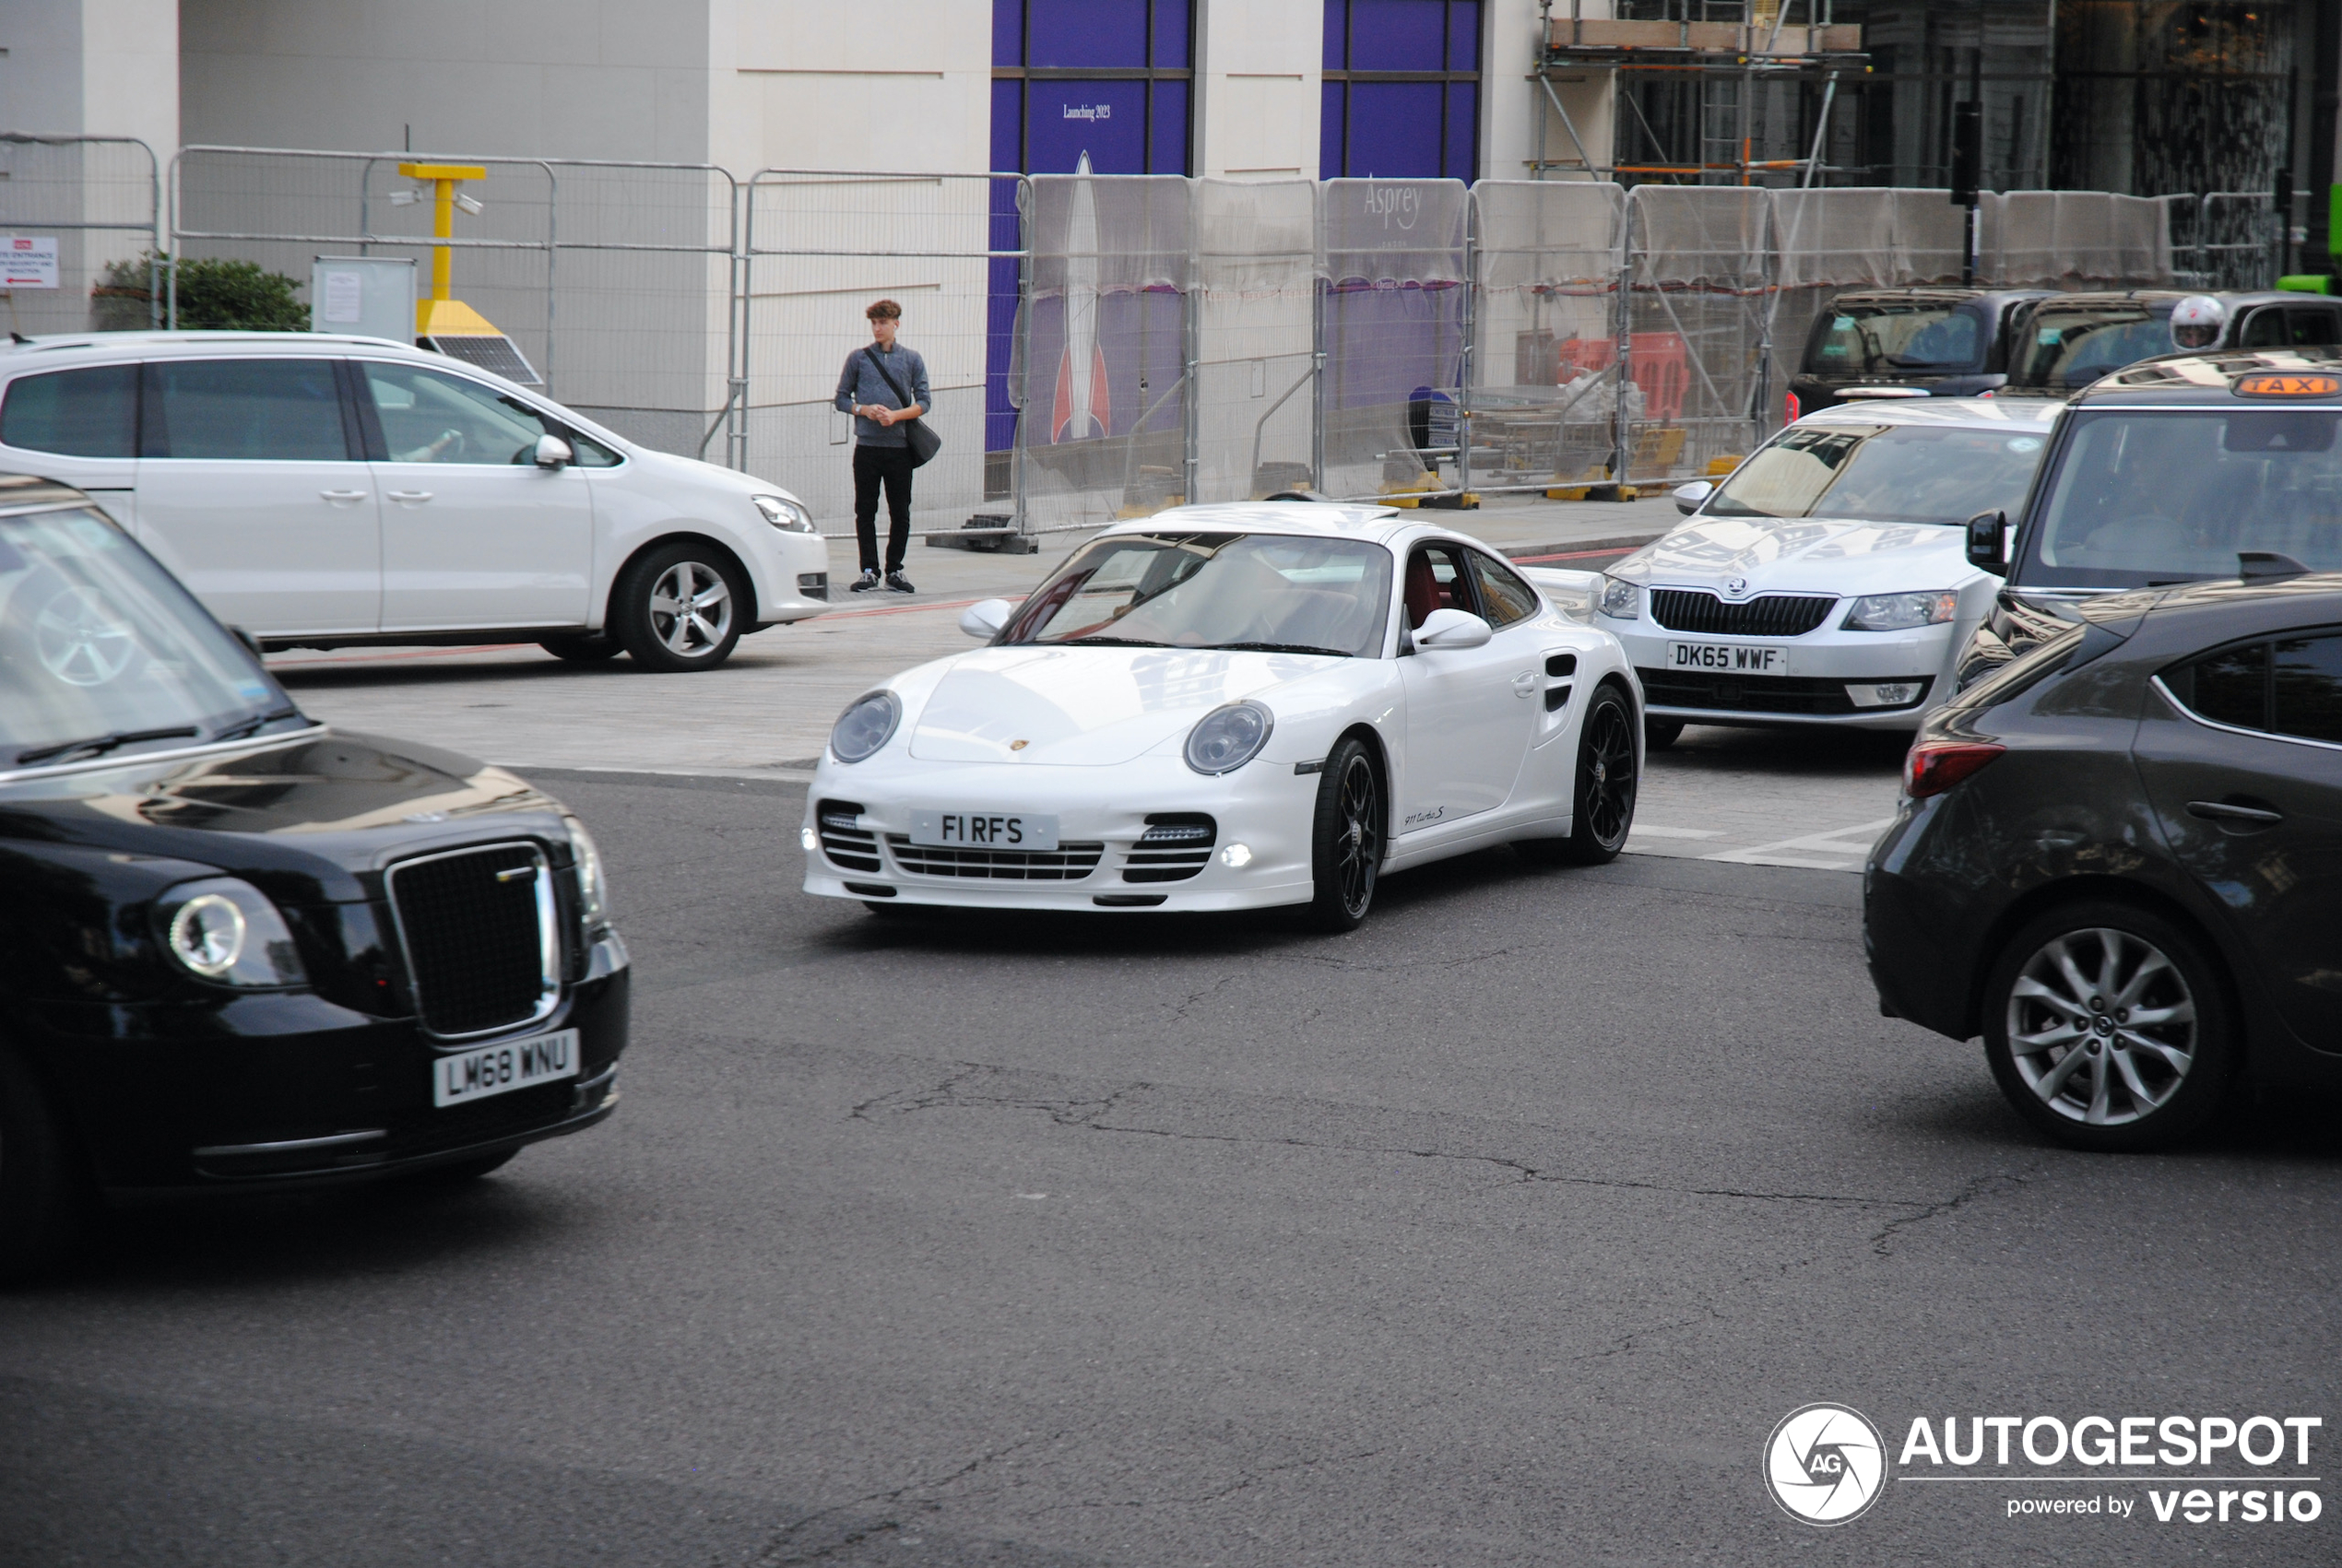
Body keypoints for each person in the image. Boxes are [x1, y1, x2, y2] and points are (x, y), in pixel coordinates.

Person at [834, 299, 932, 593]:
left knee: (900, 510)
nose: (878, 328)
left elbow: (924, 402)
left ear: (896, 324)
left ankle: (895, 569)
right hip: (867, 447)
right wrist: (863, 410)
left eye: (883, 323)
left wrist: (895, 416)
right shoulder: (859, 359)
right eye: (874, 323)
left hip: (899, 449)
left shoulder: (911, 359)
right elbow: (841, 399)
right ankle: (868, 569)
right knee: (865, 509)